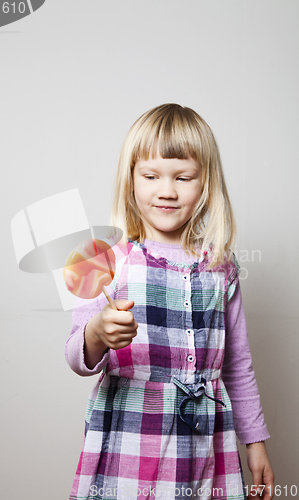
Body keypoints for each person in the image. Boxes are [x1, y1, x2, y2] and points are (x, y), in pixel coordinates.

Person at [65, 104, 274, 500]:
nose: (167, 190)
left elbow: (238, 364)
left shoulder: (221, 267)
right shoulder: (105, 257)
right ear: (130, 180)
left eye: (183, 177)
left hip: (206, 444)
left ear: (206, 183)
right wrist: (96, 333)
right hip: (130, 435)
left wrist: (256, 441)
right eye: (150, 176)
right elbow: (76, 356)